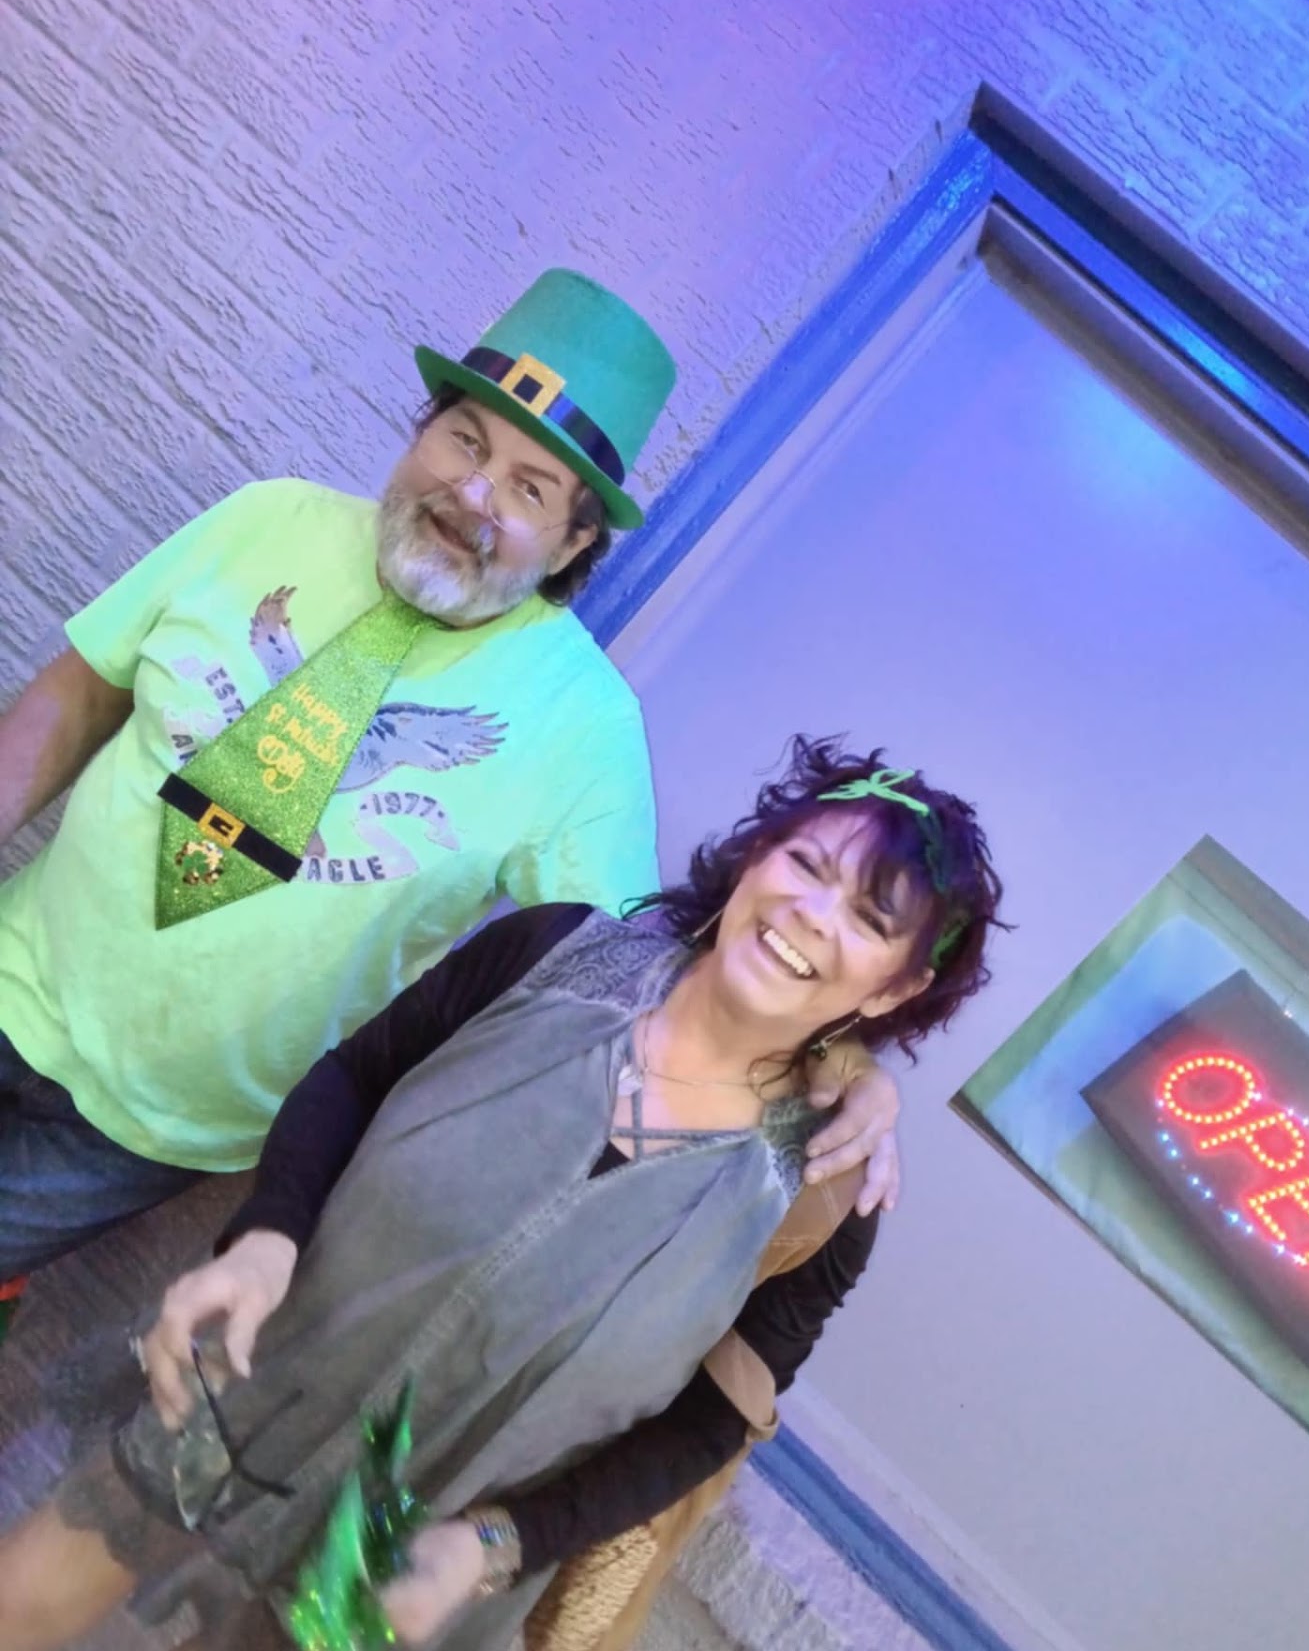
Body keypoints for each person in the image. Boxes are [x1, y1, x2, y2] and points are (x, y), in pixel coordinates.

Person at [0, 737, 1005, 1651]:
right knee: (27, 1591)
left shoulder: (821, 1196)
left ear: (898, 986)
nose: (812, 914)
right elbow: (354, 1074)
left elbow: (707, 1427)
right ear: (758, 855)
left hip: (411, 1537)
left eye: (868, 918)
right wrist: (262, 1242)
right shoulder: (560, 952)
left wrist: (501, 1542)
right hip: (256, 1370)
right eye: (806, 863)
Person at [0, 271, 899, 1335]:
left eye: (529, 489)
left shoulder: (582, 727)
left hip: (146, 1128)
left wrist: (839, 1057)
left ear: (571, 546)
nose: (474, 494)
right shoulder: (269, 518)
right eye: (465, 440)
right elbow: (78, 695)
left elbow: (651, 979)